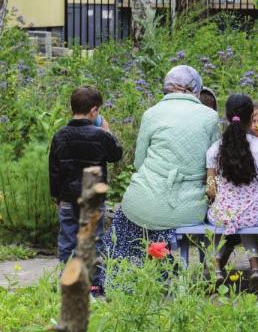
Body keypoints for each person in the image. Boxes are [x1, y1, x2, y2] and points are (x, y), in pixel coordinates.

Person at [106, 65, 220, 262]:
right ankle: (163, 265)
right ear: (194, 89)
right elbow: (213, 166)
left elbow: (139, 162)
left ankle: (131, 269)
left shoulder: (151, 113)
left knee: (129, 219)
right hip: (190, 208)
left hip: (144, 202)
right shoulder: (210, 116)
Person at [49, 85, 123, 295]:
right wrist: (108, 132)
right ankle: (94, 285)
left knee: (67, 240)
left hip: (67, 197)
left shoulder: (60, 136)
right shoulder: (100, 136)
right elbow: (116, 155)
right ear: (93, 111)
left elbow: (54, 170)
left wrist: (56, 194)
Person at [206, 94, 258, 289]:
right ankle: (255, 268)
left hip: (222, 215)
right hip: (254, 215)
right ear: (250, 116)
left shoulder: (213, 150)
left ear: (227, 116)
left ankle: (217, 269)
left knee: (226, 218)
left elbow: (210, 191)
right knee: (245, 216)